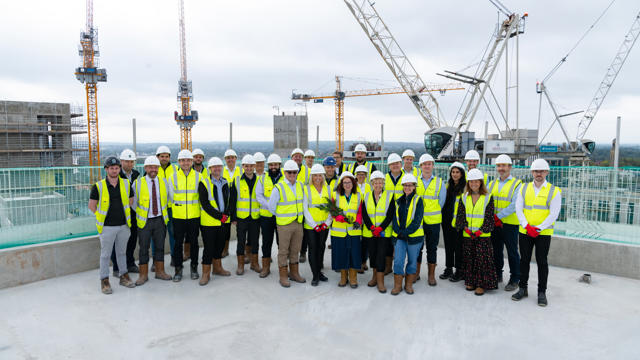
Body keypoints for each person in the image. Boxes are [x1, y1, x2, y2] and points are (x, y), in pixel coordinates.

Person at [512, 159, 561, 307]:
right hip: (525, 231)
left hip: (543, 233)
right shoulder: (524, 188)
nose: (538, 174)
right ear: (532, 172)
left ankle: (541, 292)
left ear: (546, 172)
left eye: (541, 171)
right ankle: (522, 288)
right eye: (536, 171)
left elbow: (554, 214)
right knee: (524, 261)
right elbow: (518, 209)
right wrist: (527, 226)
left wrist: (538, 228)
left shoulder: (554, 191)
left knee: (542, 262)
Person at [89, 156, 135, 294]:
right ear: (106, 169)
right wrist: (102, 218)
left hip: (123, 225)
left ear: (119, 169)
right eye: (111, 168)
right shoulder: (98, 186)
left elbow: (131, 201)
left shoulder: (126, 184)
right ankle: (104, 280)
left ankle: (123, 276)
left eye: (116, 168)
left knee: (122, 253)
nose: (114, 170)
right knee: (105, 255)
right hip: (107, 227)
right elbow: (92, 206)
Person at [455, 168, 497, 296]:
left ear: (481, 183)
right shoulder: (464, 197)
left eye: (476, 182)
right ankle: (471, 281)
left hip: (482, 235)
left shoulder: (488, 198)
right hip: (468, 235)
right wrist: (466, 229)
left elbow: (489, 217)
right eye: (471, 182)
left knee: (482, 260)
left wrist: (480, 232)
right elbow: (460, 216)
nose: (474, 184)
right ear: (468, 183)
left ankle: (481, 284)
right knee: (469, 258)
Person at [132, 156, 172, 285]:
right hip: (145, 221)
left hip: (160, 220)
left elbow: (168, 199)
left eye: (155, 167)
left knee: (160, 247)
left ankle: (160, 271)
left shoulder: (164, 182)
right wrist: (142, 214)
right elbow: (133, 203)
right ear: (145, 168)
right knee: (143, 248)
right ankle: (143, 275)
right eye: (150, 167)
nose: (153, 169)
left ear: (159, 168)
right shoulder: (138, 183)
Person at [268, 160, 306, 287]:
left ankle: (294, 273)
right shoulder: (278, 188)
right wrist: (282, 216)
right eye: (289, 172)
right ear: (284, 172)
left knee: (295, 250)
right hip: (284, 224)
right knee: (283, 251)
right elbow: (271, 207)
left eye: (294, 172)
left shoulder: (300, 185)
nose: (292, 174)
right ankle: (283, 276)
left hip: (298, 223)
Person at [488, 154, 522, 291]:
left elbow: (514, 205)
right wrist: (493, 218)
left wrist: (498, 217)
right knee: (496, 251)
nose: (501, 168)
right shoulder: (492, 183)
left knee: (512, 252)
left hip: (510, 224)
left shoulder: (517, 184)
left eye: (504, 166)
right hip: (495, 224)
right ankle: (498, 275)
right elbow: (488, 202)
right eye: (499, 166)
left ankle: (515, 279)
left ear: (510, 167)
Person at [198, 157, 232, 285]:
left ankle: (217, 269)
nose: (217, 169)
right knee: (209, 248)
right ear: (210, 169)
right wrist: (220, 216)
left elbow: (229, 201)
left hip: (223, 221)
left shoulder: (226, 182)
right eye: (214, 167)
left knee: (219, 246)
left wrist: (226, 214)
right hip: (209, 222)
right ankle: (205, 273)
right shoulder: (204, 183)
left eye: (219, 166)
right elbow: (205, 204)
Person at [169, 149, 201, 282]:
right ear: (179, 162)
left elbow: (201, 197)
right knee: (178, 244)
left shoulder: (199, 176)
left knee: (194, 243)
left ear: (192, 161)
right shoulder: (173, 177)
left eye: (188, 160)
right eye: (183, 160)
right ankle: (178, 269)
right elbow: (171, 197)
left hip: (194, 216)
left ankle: (194, 267)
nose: (185, 163)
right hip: (178, 217)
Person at [361, 171, 395, 293]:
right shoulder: (366, 196)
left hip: (383, 232)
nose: (378, 185)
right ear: (372, 183)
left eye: (380, 182)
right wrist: (371, 228)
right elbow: (364, 214)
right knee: (373, 254)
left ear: (383, 183)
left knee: (381, 255)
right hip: (370, 232)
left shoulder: (389, 196)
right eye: (376, 182)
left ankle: (380, 281)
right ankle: (374, 277)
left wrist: (380, 228)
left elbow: (390, 214)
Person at [390, 174, 424, 295]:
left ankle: (408, 285)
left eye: (410, 185)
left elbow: (417, 220)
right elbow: (394, 219)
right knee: (398, 261)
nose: (407, 187)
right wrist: (399, 232)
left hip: (414, 237)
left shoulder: (418, 200)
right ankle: (397, 285)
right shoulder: (398, 201)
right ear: (403, 186)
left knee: (412, 262)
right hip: (400, 237)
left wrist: (405, 232)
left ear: (414, 187)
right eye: (405, 185)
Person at [415, 154, 446, 286]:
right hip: (418, 222)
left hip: (433, 222)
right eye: (424, 164)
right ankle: (415, 273)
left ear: (432, 166)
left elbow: (442, 202)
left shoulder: (440, 182)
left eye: (429, 164)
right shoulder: (415, 181)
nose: (427, 166)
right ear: (420, 166)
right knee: (417, 248)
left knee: (432, 248)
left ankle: (431, 275)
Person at [229, 154, 262, 275]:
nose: (248, 168)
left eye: (251, 166)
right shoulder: (237, 181)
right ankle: (240, 265)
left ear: (254, 166)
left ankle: (255, 264)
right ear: (242, 166)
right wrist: (233, 217)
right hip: (241, 218)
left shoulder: (260, 180)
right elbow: (232, 201)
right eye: (246, 166)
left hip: (255, 217)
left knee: (255, 241)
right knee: (241, 242)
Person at [330, 171, 363, 288]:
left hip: (353, 230)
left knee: (353, 254)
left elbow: (360, 211)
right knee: (341, 254)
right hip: (339, 231)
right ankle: (343, 277)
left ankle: (353, 278)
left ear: (353, 183)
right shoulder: (335, 195)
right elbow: (332, 210)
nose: (347, 184)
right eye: (345, 182)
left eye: (349, 182)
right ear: (341, 184)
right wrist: (339, 217)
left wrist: (358, 221)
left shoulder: (358, 195)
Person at [111, 149, 140, 277]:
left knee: (132, 240)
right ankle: (117, 267)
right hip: (119, 214)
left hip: (133, 213)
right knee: (118, 242)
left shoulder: (136, 175)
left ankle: (130, 263)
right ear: (121, 161)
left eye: (131, 162)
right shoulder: (115, 175)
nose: (129, 164)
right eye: (126, 161)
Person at [303, 164, 332, 286]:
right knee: (313, 249)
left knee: (321, 248)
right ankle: (315, 275)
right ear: (311, 176)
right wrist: (314, 224)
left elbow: (331, 208)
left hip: (324, 225)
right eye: (315, 175)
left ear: (323, 176)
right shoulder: (306, 189)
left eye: (320, 175)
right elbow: (305, 209)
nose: (317, 177)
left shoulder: (328, 188)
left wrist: (326, 223)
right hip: (311, 226)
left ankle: (319, 272)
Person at [255, 153, 282, 278]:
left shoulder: (285, 179)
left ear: (279, 165)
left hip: (281, 216)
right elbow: (259, 196)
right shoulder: (262, 179)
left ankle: (283, 268)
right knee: (266, 242)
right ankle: (266, 268)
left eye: (275, 164)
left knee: (281, 243)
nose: (273, 167)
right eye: (271, 165)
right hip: (266, 216)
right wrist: (270, 206)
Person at [440, 162, 467, 283]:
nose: (455, 174)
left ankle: (459, 270)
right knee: (448, 245)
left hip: (459, 222)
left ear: (462, 174)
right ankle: (448, 268)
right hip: (447, 221)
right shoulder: (447, 186)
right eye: (453, 172)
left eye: (457, 172)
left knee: (458, 246)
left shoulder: (466, 188)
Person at [155, 145, 177, 267]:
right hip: (157, 208)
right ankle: (156, 261)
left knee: (174, 234)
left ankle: (174, 258)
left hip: (171, 207)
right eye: (162, 156)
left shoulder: (175, 169)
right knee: (157, 236)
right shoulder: (153, 169)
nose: (164, 158)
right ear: (157, 157)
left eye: (166, 156)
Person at [383, 153, 404, 274]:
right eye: (392, 164)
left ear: (401, 164)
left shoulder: (406, 177)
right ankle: (388, 266)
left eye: (397, 163)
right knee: (387, 241)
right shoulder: (384, 178)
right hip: (387, 214)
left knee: (399, 241)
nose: (395, 166)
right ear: (389, 166)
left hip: (402, 215)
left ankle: (398, 266)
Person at [188, 148, 207, 261]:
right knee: (190, 236)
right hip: (191, 209)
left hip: (204, 208)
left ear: (203, 158)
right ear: (192, 159)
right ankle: (188, 253)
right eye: (196, 156)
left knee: (205, 233)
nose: (198, 158)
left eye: (200, 156)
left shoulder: (207, 171)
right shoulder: (187, 172)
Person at [222, 149, 241, 258]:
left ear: (236, 159)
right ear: (225, 159)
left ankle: (241, 252)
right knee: (225, 229)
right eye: (228, 158)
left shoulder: (241, 171)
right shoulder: (221, 171)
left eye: (232, 157)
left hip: (238, 207)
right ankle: (225, 250)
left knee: (240, 231)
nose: (230, 160)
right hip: (225, 208)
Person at [355, 164, 372, 273]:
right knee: (357, 241)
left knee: (365, 241)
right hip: (356, 218)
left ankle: (364, 262)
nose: (361, 176)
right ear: (356, 175)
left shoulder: (368, 186)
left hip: (366, 217)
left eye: (363, 174)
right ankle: (358, 263)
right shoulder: (352, 185)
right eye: (359, 174)